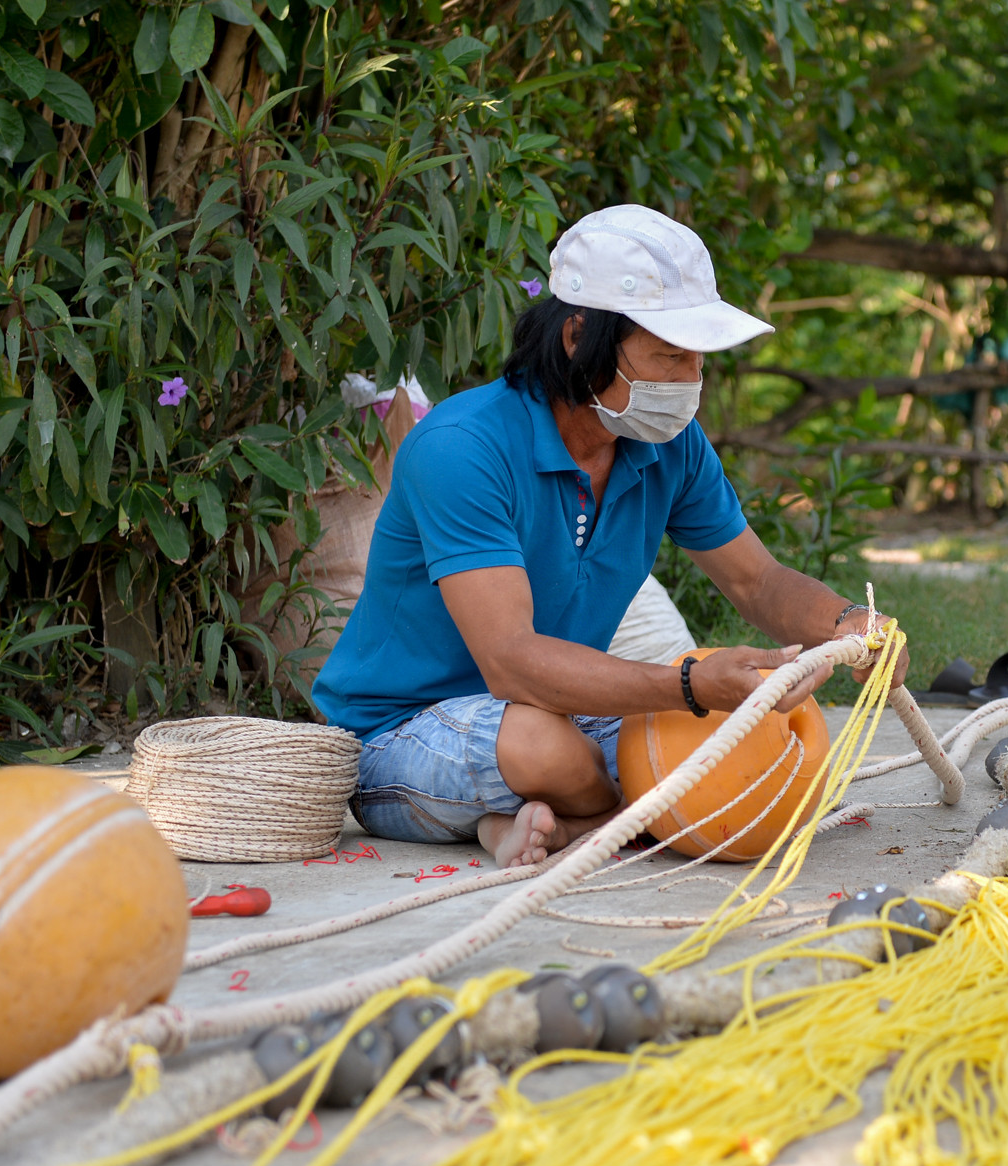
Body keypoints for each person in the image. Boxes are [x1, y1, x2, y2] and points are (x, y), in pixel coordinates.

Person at [313, 205, 907, 869]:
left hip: (558, 707)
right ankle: (609, 819)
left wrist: (849, 623)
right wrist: (690, 683)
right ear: (577, 336)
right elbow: (510, 661)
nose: (690, 384)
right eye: (669, 357)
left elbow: (756, 580)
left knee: (750, 749)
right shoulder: (461, 447)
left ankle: (536, 821)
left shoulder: (668, 446)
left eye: (698, 361)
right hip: (399, 732)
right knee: (549, 748)